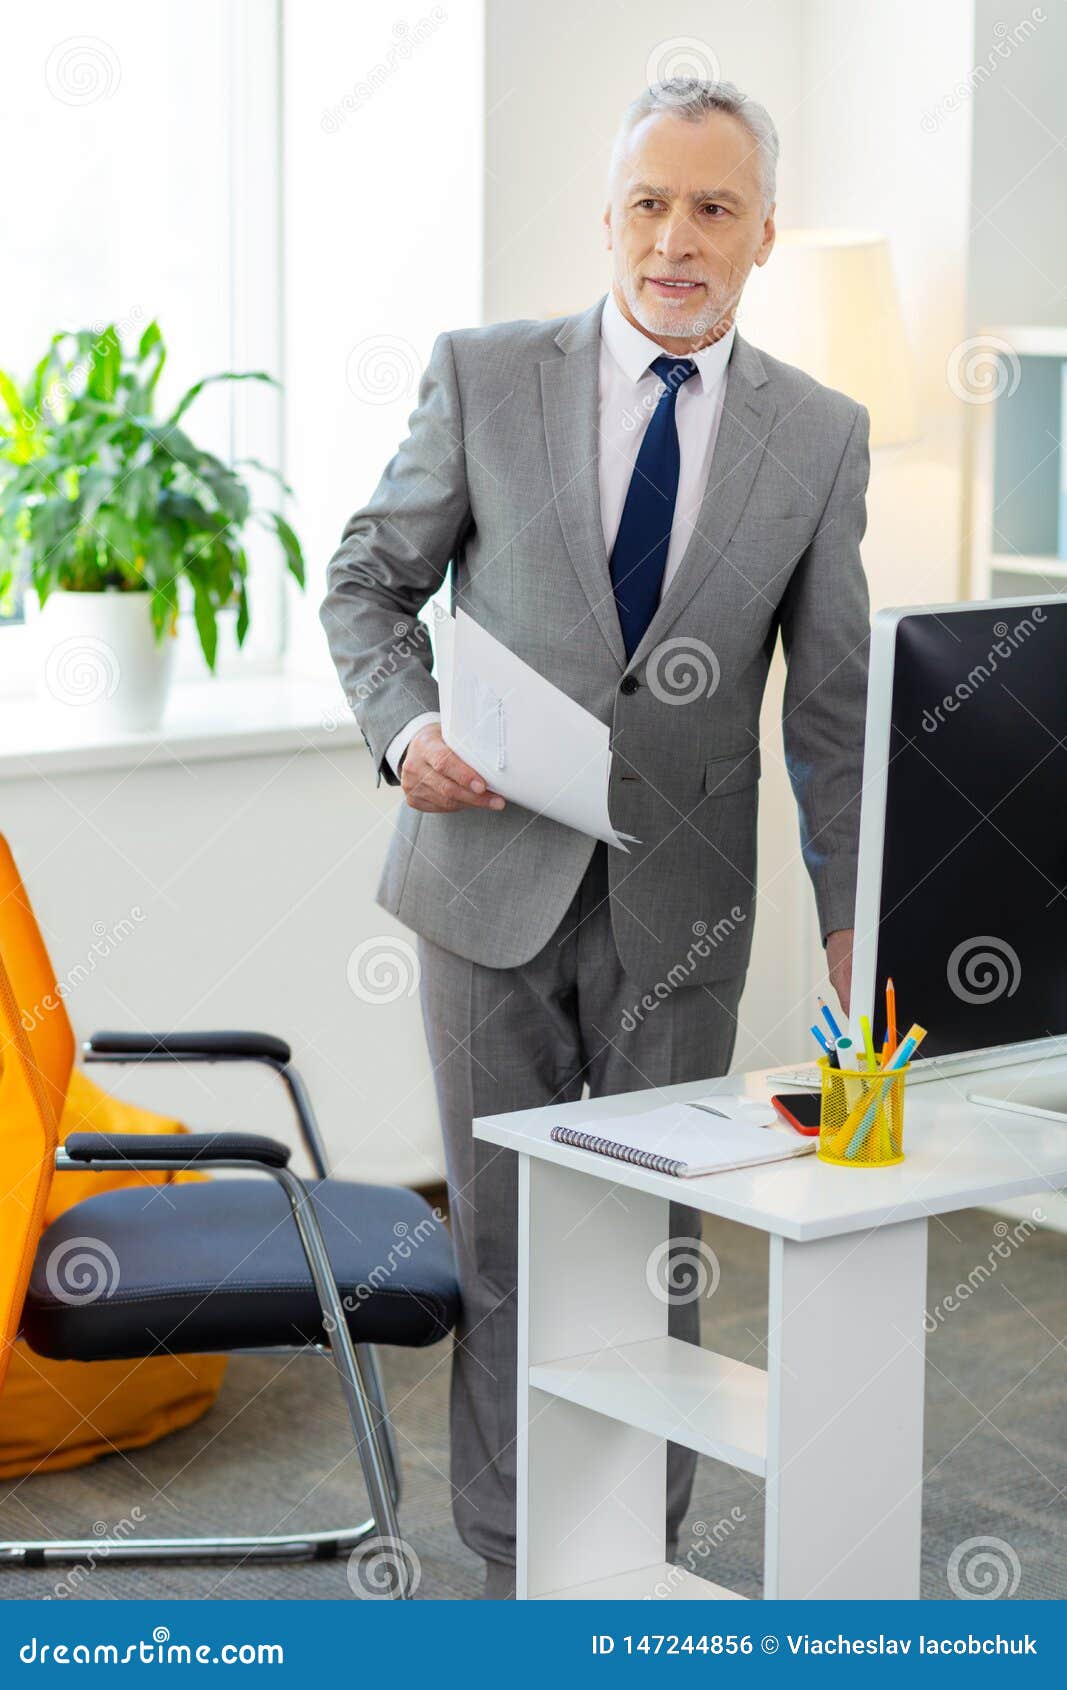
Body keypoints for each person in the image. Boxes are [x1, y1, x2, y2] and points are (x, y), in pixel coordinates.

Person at [320, 77, 869, 1600]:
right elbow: (366, 583)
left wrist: (853, 923)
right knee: (500, 1238)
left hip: (682, 912)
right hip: (484, 886)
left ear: (767, 230)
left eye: (712, 209)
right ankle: (510, 1561)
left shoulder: (819, 438)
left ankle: (635, 1555)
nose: (674, 241)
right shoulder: (486, 378)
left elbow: (829, 710)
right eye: (649, 203)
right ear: (608, 213)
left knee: (653, 1244)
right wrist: (404, 730)